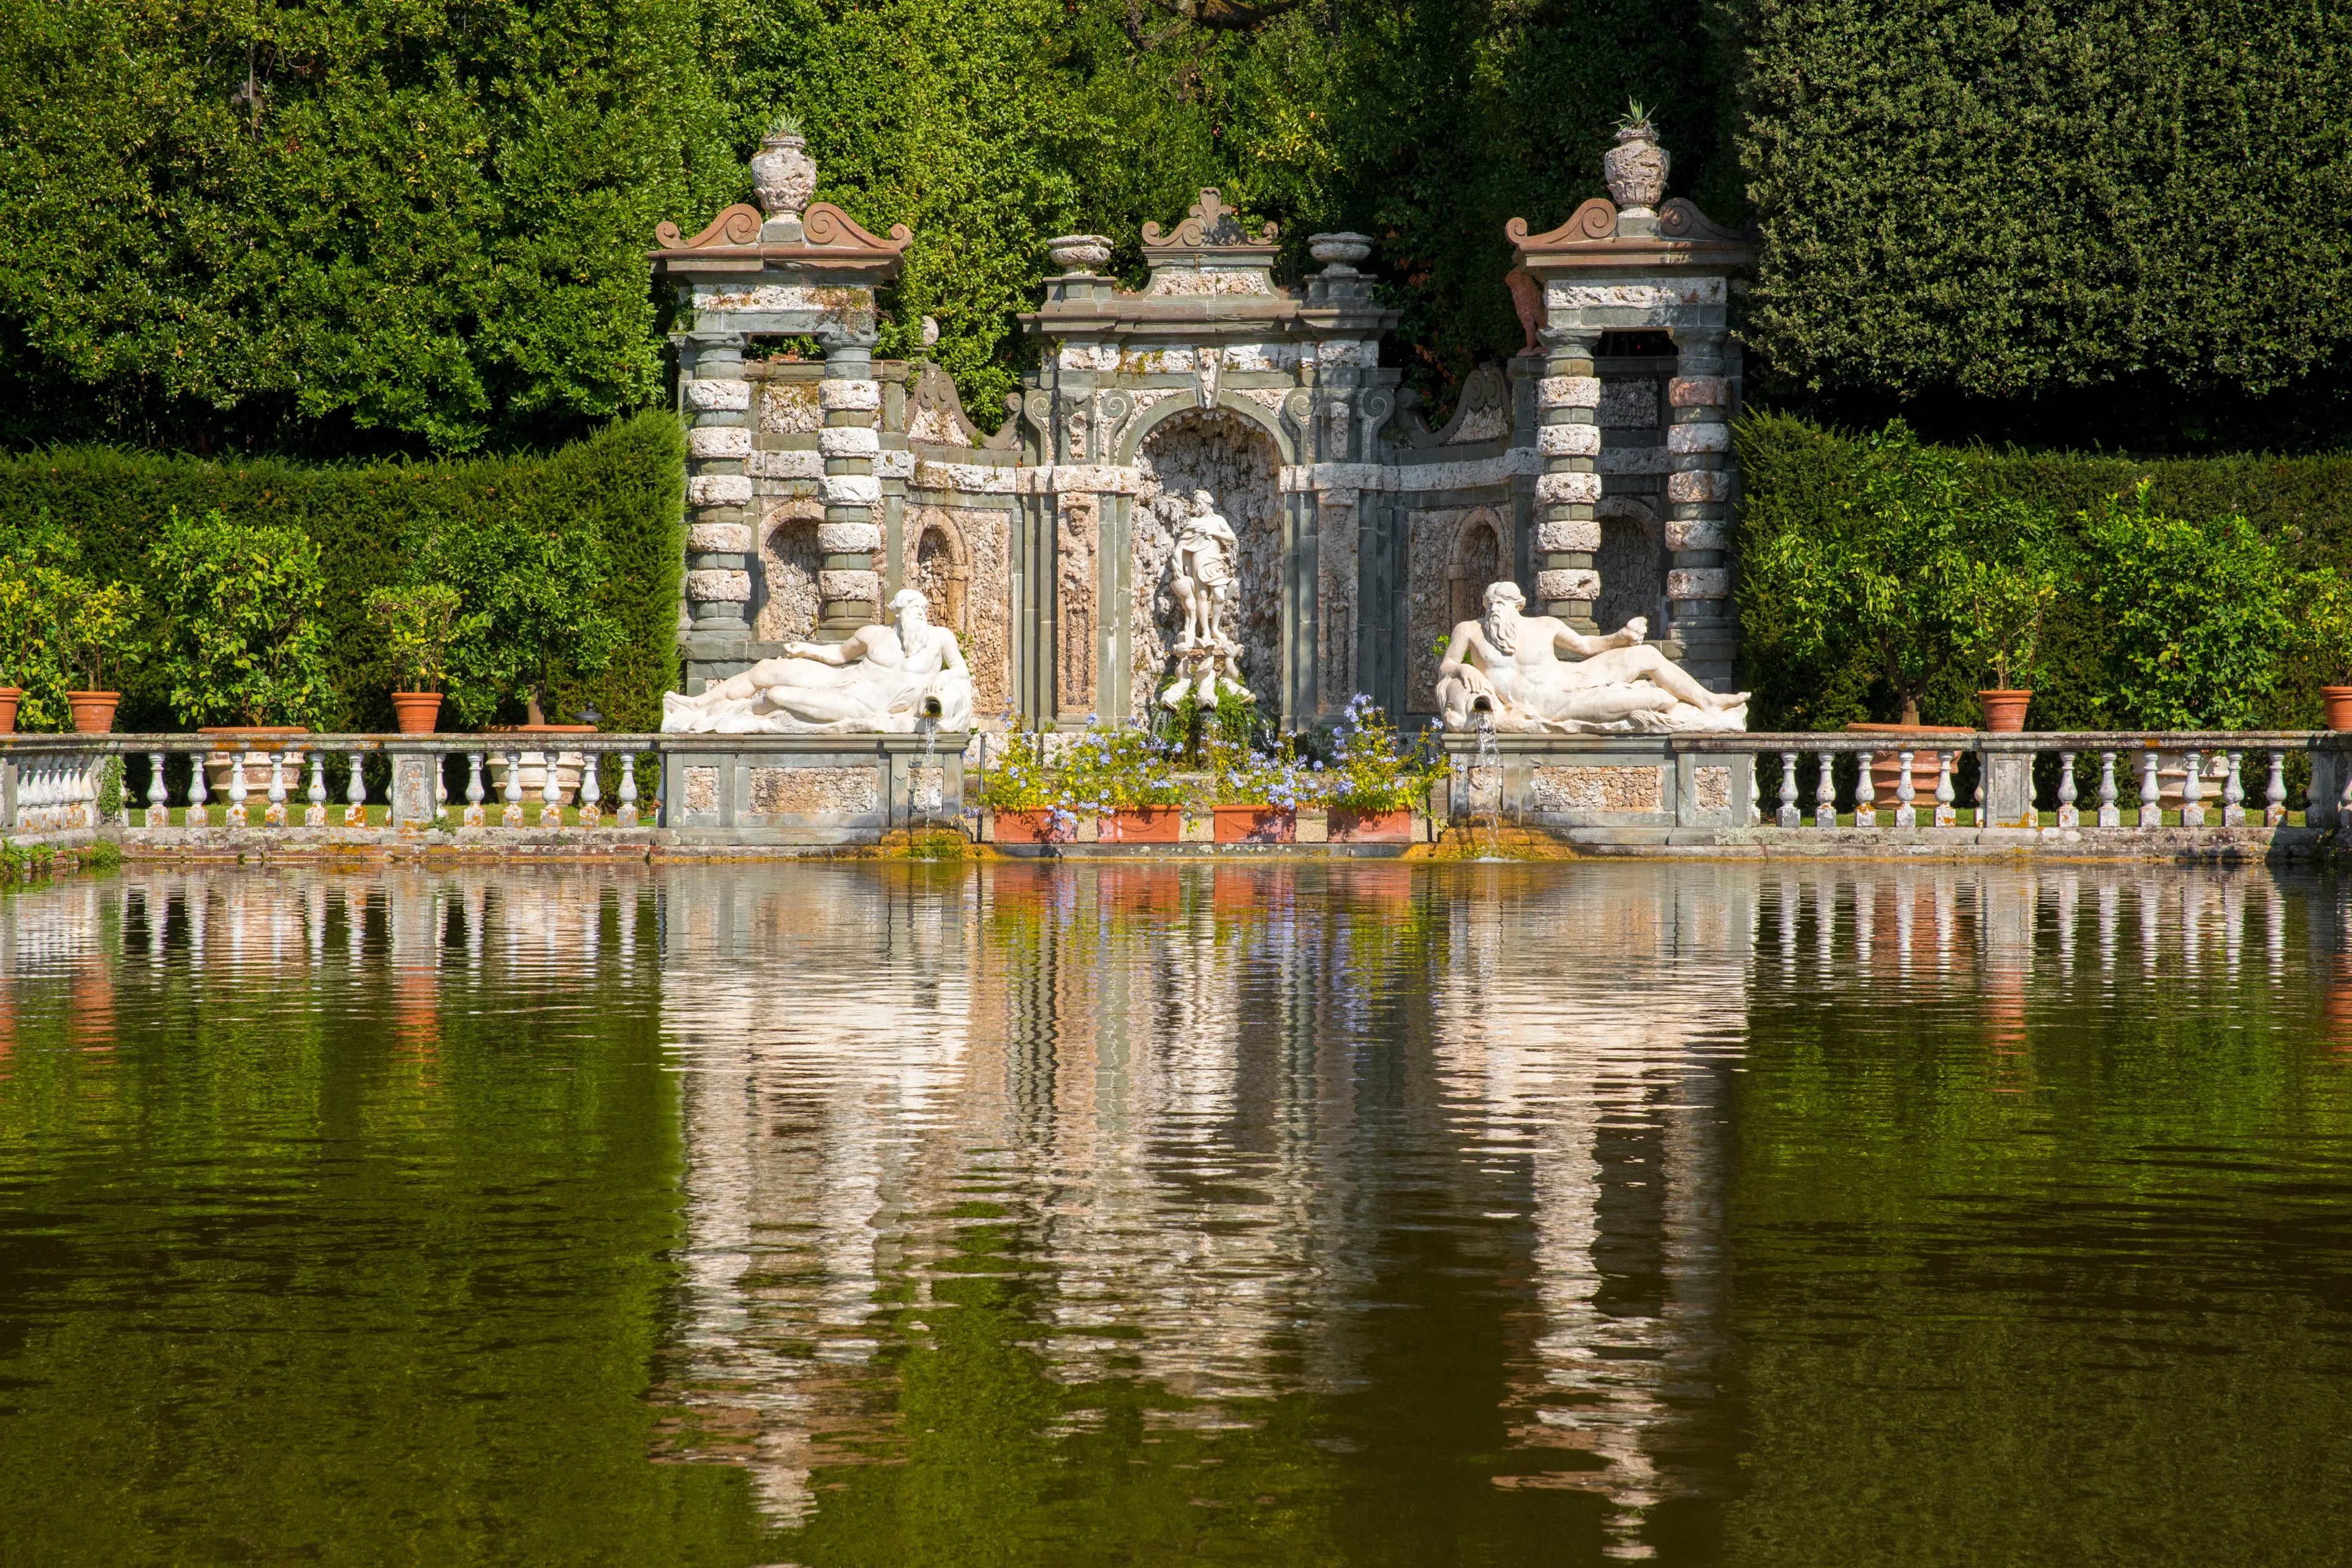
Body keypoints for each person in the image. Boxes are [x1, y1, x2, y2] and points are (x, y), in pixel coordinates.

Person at [1434, 580, 1747, 732]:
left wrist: (1621, 638)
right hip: (1555, 706)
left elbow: (1586, 647)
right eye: (1491, 604)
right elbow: (1445, 666)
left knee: (1646, 654)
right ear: (1485, 605)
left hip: (1572, 679)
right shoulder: (1470, 630)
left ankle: (1708, 700)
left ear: (1519, 605)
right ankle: (1662, 702)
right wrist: (1463, 669)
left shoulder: (1546, 625)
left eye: (1502, 604)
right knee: (1661, 702)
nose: (1495, 610)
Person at [662, 589, 973, 733]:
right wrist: (806, 651)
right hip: (842, 679)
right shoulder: (873, 634)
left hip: (862, 705)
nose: (919, 613)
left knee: (776, 695)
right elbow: (838, 656)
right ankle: (699, 704)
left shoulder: (940, 637)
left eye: (922, 609)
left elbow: (960, 670)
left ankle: (732, 716)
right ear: (898, 612)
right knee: (766, 670)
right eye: (912, 608)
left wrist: (944, 678)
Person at [1170, 489, 1239, 650]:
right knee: (1201, 595)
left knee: (1219, 596)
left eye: (1199, 504)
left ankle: (1215, 628)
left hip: (1214, 560)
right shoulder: (1194, 522)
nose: (1197, 506)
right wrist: (1178, 559)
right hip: (1198, 559)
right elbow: (1183, 544)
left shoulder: (1218, 520)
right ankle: (1206, 632)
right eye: (1196, 504)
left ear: (1208, 504)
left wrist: (1212, 532)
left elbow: (1232, 536)